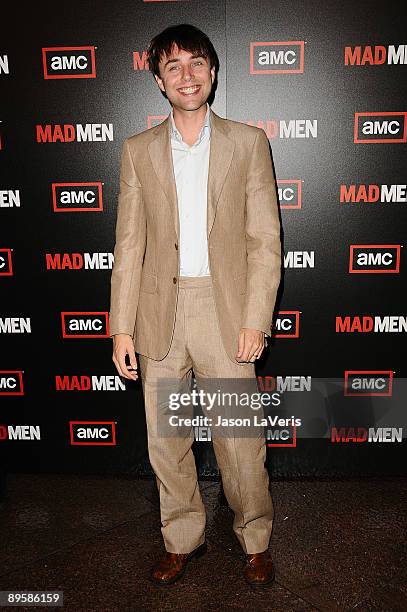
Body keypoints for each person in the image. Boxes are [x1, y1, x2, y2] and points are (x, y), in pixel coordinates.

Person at [109, 23, 281, 586]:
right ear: (159, 80)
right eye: (174, 66)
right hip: (159, 310)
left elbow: (265, 240)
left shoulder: (248, 143)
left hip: (224, 309)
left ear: (212, 72)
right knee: (167, 441)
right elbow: (129, 244)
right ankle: (182, 538)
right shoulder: (137, 153)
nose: (188, 75)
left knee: (240, 440)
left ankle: (255, 538)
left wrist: (257, 320)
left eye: (197, 63)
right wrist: (121, 328)